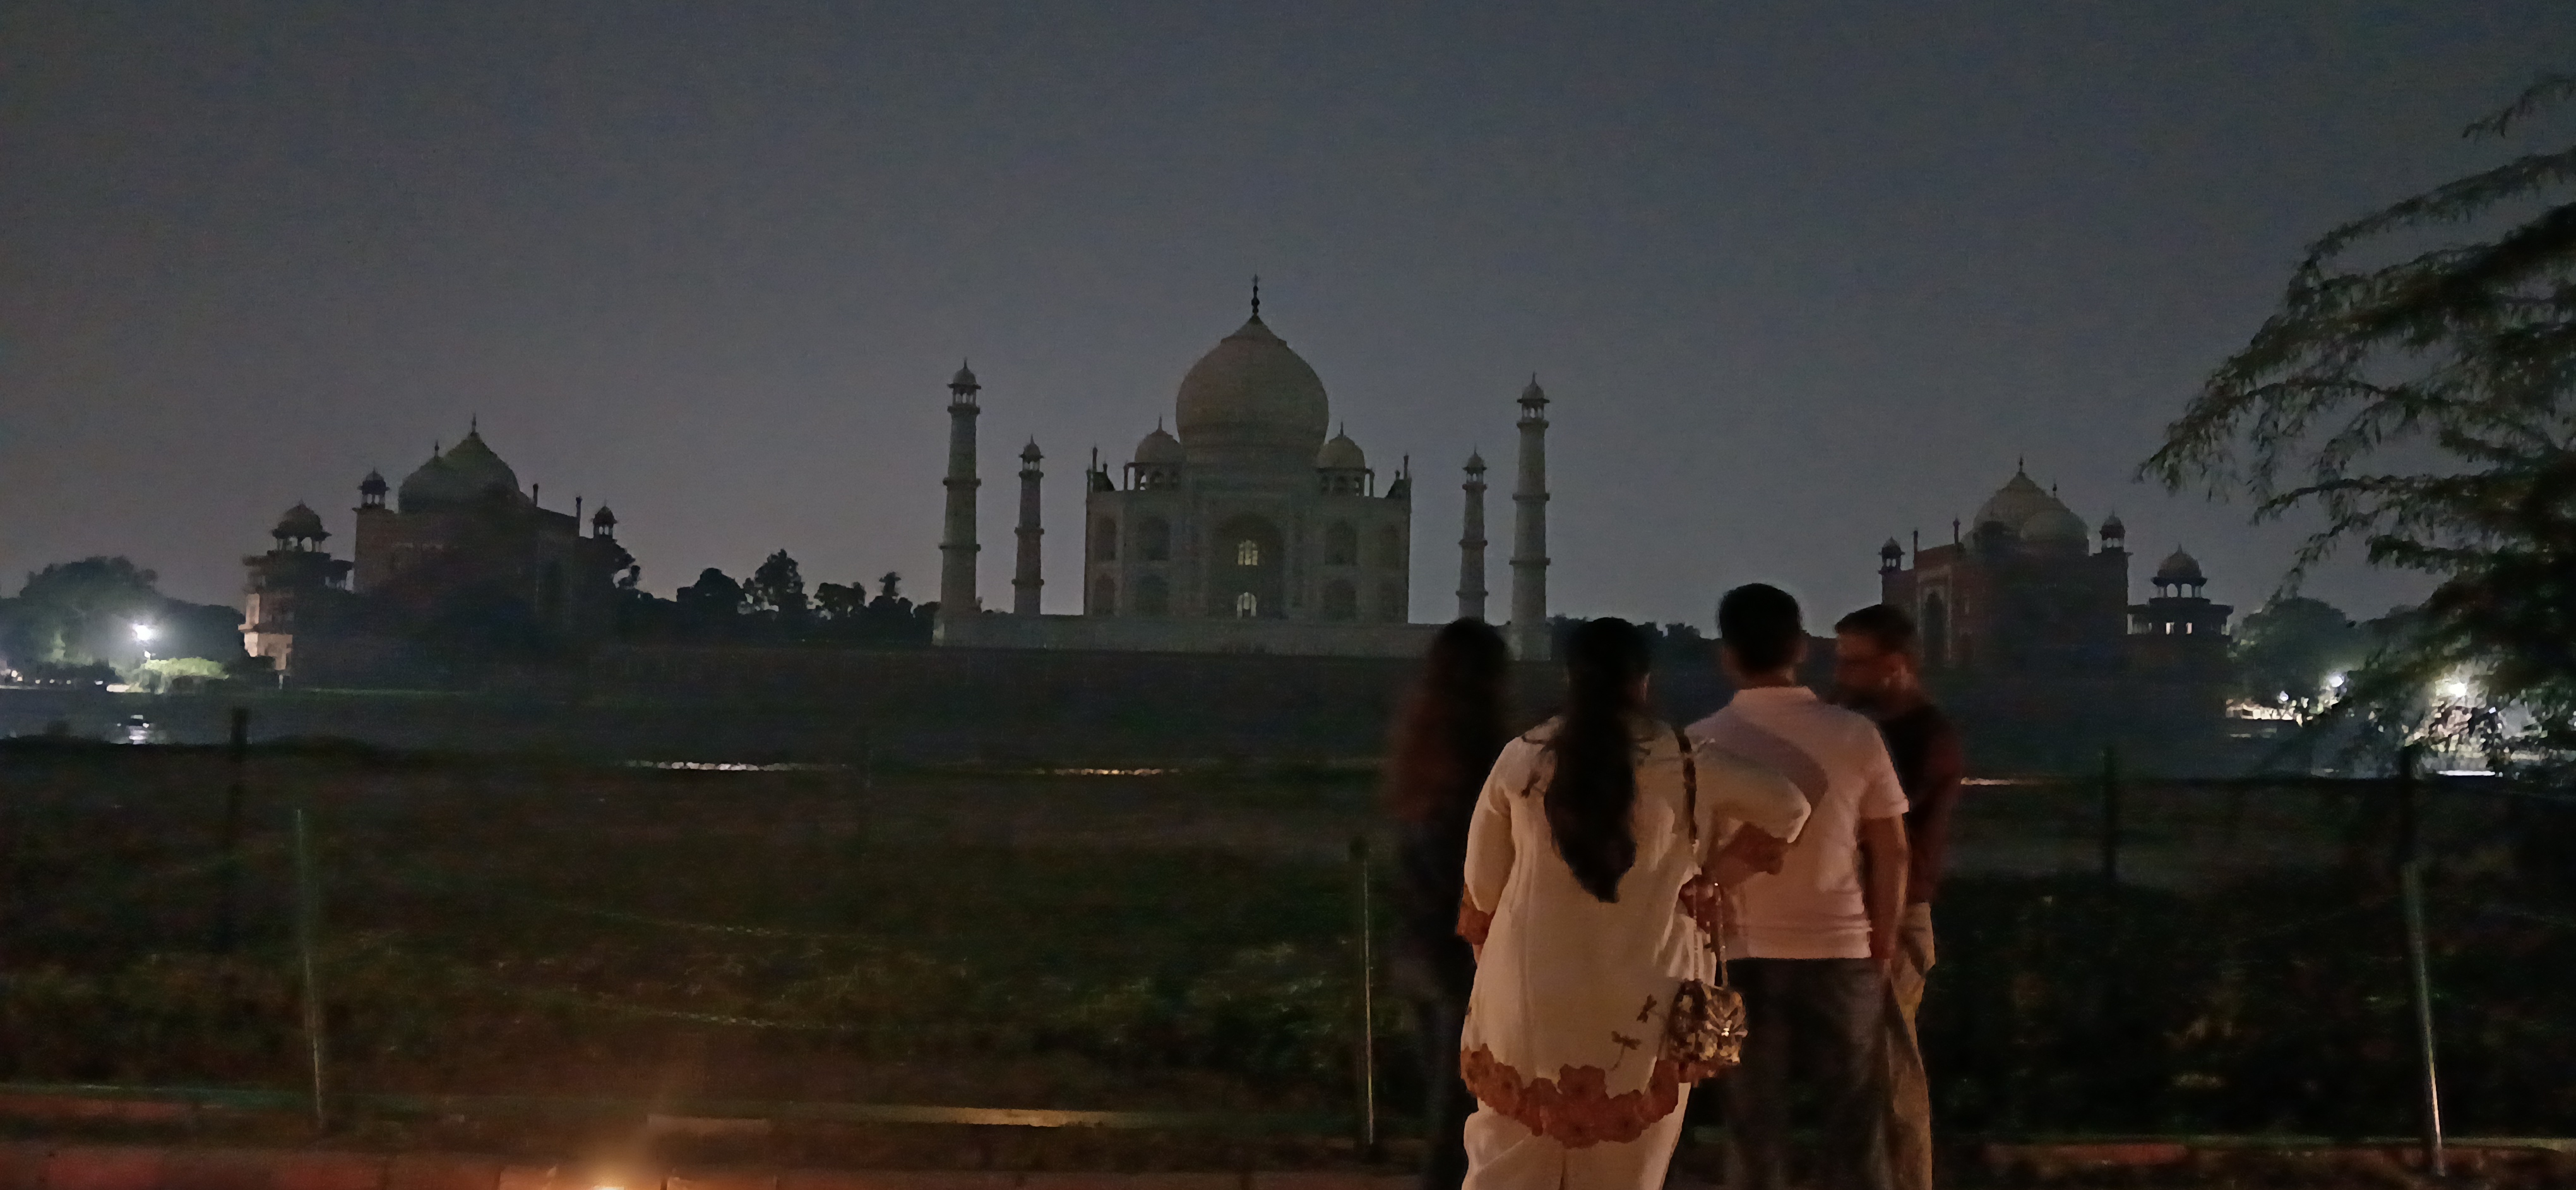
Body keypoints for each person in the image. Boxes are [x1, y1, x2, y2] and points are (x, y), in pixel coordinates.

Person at [1457, 617, 1810, 1190]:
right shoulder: (1690, 761)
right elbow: (1789, 806)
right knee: (1628, 1172)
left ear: (1570, 678)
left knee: (1506, 1166)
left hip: (1527, 994)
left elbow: (1482, 891)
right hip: (1647, 996)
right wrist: (1713, 880)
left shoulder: (1522, 760)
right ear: (1643, 682)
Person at [1690, 584, 1910, 1190]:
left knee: (1754, 1133)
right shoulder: (1854, 735)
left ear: (1727, 655)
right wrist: (1883, 943)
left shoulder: (1701, 742)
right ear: (1801, 649)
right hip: (1839, 951)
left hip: (1740, 956)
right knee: (1855, 1128)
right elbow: (1891, 848)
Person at [1833, 604, 1964, 1190]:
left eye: (1856, 664)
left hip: (1893, 914)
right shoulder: (1863, 726)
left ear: (1897, 665)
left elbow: (1894, 841)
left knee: (1890, 1070)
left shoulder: (1925, 739)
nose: (1843, 676)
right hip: (1850, 913)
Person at [1386, 619, 1517, 1190]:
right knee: (1461, 1125)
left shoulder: (1422, 753)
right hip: (1463, 960)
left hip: (1417, 952)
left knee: (1454, 1119)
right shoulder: (1490, 759)